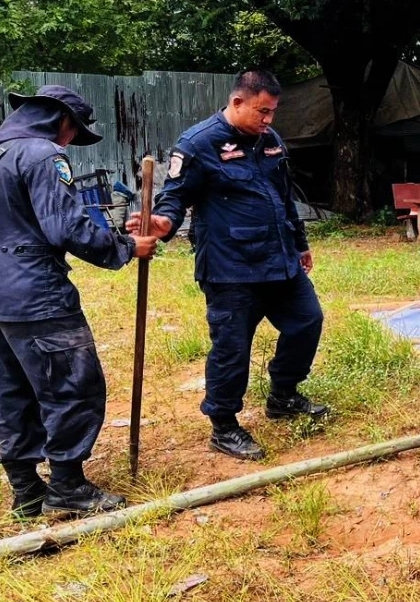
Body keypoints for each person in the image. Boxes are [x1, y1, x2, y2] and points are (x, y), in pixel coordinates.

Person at [0, 85, 159, 517]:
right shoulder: (44, 155)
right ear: (61, 119)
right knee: (73, 387)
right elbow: (67, 226)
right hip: (35, 295)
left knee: (12, 394)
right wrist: (125, 246)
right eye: (72, 133)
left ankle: (25, 490)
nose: (69, 142)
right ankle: (67, 486)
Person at [132, 68, 327, 463]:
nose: (269, 120)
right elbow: (174, 197)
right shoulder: (198, 143)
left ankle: (283, 395)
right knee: (232, 347)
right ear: (237, 103)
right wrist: (163, 223)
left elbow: (284, 197)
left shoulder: (270, 141)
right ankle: (223, 425)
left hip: (279, 260)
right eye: (262, 112)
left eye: (272, 112)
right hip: (230, 268)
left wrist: (299, 243)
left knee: (308, 321)